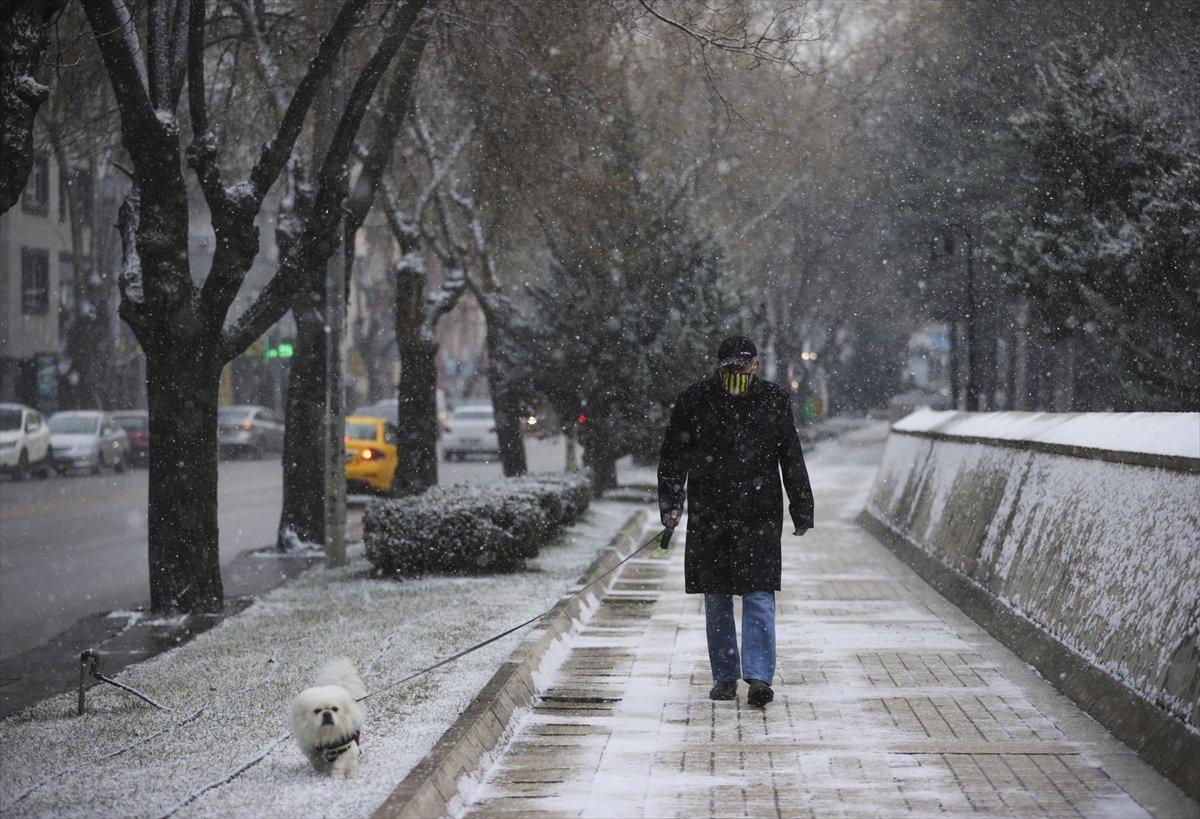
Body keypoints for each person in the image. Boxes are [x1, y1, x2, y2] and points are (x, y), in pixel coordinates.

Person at [657, 335, 814, 707]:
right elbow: (673, 457)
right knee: (717, 597)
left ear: (756, 365)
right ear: (720, 366)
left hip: (759, 513)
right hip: (711, 513)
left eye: (744, 366)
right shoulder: (695, 401)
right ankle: (725, 676)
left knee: (759, 595)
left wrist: (802, 507)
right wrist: (671, 503)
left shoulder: (773, 400)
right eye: (731, 367)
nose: (738, 373)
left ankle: (759, 677)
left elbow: (791, 455)